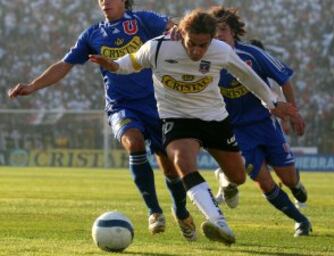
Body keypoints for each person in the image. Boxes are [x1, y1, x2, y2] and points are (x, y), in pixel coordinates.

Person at [87, 8, 302, 245]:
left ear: (211, 39)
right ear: (181, 34)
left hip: (214, 119)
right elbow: (132, 62)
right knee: (181, 162)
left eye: (203, 45)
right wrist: (113, 65)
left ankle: (224, 180)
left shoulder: (221, 51)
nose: (197, 51)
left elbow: (248, 77)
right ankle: (219, 223)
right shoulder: (158, 47)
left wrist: (274, 103)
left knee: (238, 177)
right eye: (192, 44)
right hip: (176, 118)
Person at [7, 0, 197, 241]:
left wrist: (183, 32)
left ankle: (181, 212)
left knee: (169, 165)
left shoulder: (144, 20)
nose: (105, 1)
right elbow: (65, 65)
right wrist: (33, 86)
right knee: (134, 143)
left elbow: (176, 28)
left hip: (158, 104)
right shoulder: (93, 34)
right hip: (121, 106)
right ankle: (154, 212)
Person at [209, 6, 311, 237]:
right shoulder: (208, 62)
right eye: (213, 31)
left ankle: (296, 185)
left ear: (233, 32)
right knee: (265, 183)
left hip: (265, 125)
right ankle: (301, 221)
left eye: (223, 30)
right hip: (237, 131)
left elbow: (284, 79)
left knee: (288, 178)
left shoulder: (252, 54)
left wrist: (291, 113)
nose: (218, 35)